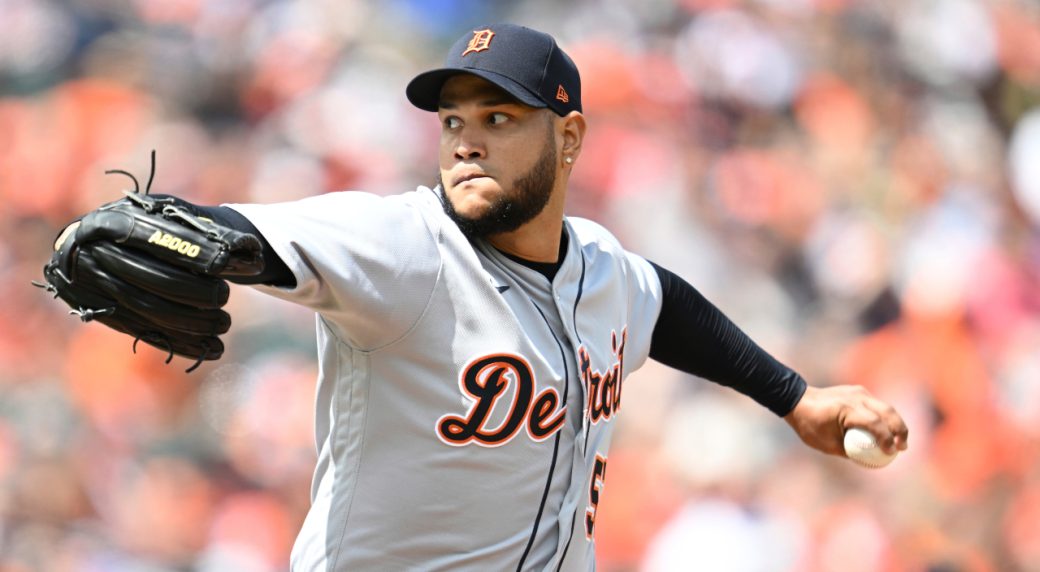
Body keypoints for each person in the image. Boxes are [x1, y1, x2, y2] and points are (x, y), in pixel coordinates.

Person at [48, 23, 908, 571]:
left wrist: (796, 399)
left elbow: (667, 305)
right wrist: (196, 232)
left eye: (498, 119)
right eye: (453, 121)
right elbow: (251, 237)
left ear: (568, 137)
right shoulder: (403, 247)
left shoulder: (601, 267)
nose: (465, 142)